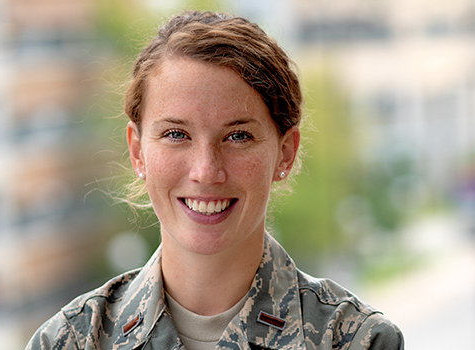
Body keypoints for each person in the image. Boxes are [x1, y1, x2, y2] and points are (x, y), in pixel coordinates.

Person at [26, 11, 404, 350]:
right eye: (176, 134)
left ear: (285, 152)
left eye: (237, 136)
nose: (206, 171)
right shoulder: (69, 341)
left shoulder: (355, 340)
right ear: (138, 151)